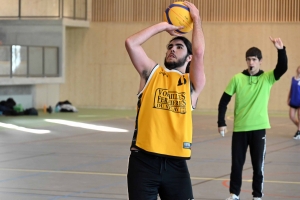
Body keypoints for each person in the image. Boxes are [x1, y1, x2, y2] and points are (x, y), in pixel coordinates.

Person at [125, 1, 205, 199]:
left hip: (176, 165)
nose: (172, 49)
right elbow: (131, 43)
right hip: (143, 162)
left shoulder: (191, 84)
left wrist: (196, 20)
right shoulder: (152, 74)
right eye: (170, 46)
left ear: (188, 58)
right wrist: (164, 26)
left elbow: (200, 52)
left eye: (179, 47)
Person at [217, 37, 288, 200]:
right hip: (240, 129)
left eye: (254, 59)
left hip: (258, 129)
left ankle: (257, 196)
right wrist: (221, 122)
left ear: (260, 61)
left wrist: (280, 50)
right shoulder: (237, 79)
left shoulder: (268, 78)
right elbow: (223, 102)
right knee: (237, 165)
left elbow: (282, 68)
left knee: (258, 166)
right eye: (249, 59)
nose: (251, 62)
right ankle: (234, 194)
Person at [287, 65, 300, 140]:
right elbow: (291, 89)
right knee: (291, 116)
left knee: (299, 116)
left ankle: (298, 131)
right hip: (293, 99)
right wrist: (288, 98)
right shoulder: (293, 79)